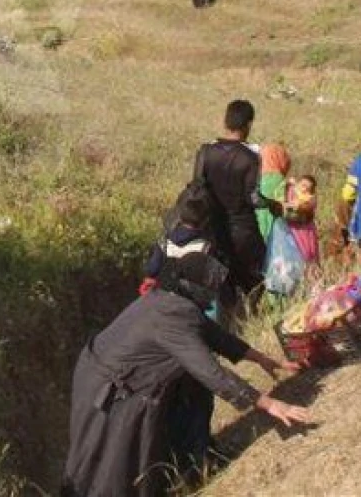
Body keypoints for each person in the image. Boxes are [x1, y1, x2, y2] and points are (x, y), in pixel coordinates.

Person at [61, 249, 311, 497]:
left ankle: (192, 463)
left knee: (185, 393)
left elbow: (212, 334)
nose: (214, 294)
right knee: (111, 462)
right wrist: (269, 404)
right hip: (108, 386)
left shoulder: (173, 301)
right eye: (210, 287)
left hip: (117, 375)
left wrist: (263, 359)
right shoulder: (171, 316)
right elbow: (213, 374)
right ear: (192, 287)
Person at [192, 101, 265, 305]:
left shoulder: (205, 152)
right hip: (243, 231)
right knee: (252, 283)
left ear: (225, 121)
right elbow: (254, 198)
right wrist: (272, 204)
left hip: (212, 228)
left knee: (219, 284)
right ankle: (248, 318)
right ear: (248, 124)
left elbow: (196, 189)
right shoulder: (250, 158)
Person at [254, 143, 289, 241]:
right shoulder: (281, 180)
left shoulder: (262, 151)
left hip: (262, 180)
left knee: (261, 214)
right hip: (278, 179)